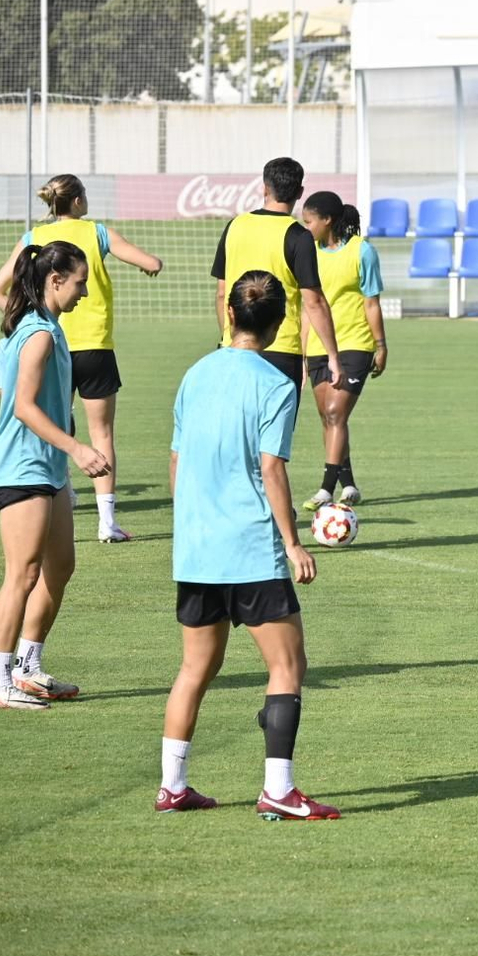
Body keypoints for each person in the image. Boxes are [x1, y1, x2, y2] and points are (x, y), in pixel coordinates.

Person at [158, 270, 338, 820]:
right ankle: (278, 791)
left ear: (230, 315)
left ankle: (173, 786)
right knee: (288, 665)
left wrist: (192, 522)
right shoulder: (276, 385)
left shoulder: (194, 374)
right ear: (279, 323)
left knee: (194, 670)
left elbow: (176, 462)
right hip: (250, 548)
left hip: (197, 548)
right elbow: (271, 468)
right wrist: (292, 542)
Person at [0, 175, 164, 543]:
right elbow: (151, 262)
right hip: (94, 346)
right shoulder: (98, 233)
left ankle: (60, 492)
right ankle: (106, 522)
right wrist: (150, 263)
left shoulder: (33, 239)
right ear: (79, 202)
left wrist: (26, 318)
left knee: (54, 420)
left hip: (52, 346)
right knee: (101, 432)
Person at [0, 242, 110, 710]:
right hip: (22, 465)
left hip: (48, 467)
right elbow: (23, 406)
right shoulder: (37, 333)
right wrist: (77, 448)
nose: (83, 292)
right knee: (22, 573)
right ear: (55, 280)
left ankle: (28, 666)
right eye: (79, 282)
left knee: (59, 567)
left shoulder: (48, 326)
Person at [211, 157, 340, 417]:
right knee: (273, 445)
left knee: (240, 437)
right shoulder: (299, 236)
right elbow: (313, 302)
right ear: (300, 193)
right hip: (280, 351)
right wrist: (333, 357)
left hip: (234, 348)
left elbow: (222, 293)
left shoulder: (234, 226)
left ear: (264, 188)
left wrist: (229, 335)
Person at [296, 191, 387, 510]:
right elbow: (308, 308)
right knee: (328, 417)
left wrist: (380, 345)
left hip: (355, 344)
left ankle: (325, 489)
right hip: (319, 347)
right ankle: (348, 484)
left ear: (327, 220)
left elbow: (372, 302)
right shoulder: (308, 254)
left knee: (336, 413)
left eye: (308, 222)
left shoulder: (363, 252)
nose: (304, 227)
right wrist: (303, 355)